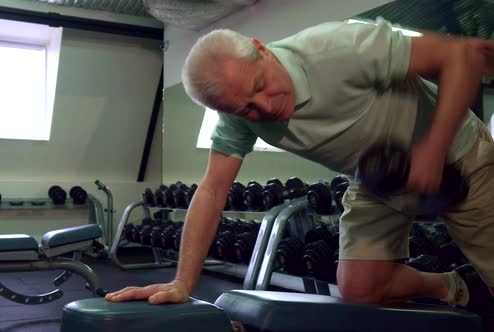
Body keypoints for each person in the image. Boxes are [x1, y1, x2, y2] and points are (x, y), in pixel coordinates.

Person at [106, 17, 494, 312]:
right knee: (360, 287)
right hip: (376, 178)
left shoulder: (339, 47)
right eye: (246, 108)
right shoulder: (238, 114)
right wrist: (182, 283)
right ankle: (453, 286)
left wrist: (432, 147)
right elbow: (211, 190)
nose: (266, 108)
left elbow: (460, 55)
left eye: (260, 87)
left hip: (452, 153)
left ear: (261, 49)